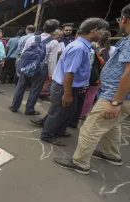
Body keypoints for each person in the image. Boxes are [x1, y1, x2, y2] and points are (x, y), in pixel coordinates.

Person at [53, 7, 130, 174]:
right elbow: (69, 71)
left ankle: (80, 163)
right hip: (116, 95)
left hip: (115, 96)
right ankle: (111, 154)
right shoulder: (80, 46)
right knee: (112, 126)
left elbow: (129, 73)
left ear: (123, 19)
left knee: (89, 129)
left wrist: (116, 100)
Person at [39, 18, 109, 147]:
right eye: (102, 31)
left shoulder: (83, 46)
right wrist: (67, 94)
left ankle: (59, 130)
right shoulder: (79, 48)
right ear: (94, 30)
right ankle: (47, 135)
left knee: (68, 111)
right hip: (64, 87)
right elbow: (69, 73)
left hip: (71, 86)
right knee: (58, 112)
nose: (103, 34)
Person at [10, 19, 60, 115]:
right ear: (54, 30)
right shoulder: (54, 43)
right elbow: (51, 60)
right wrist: (51, 75)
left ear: (44, 27)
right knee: (35, 89)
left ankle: (14, 106)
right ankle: (29, 109)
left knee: (20, 87)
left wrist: (20, 67)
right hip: (41, 68)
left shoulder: (32, 38)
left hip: (27, 65)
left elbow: (23, 53)